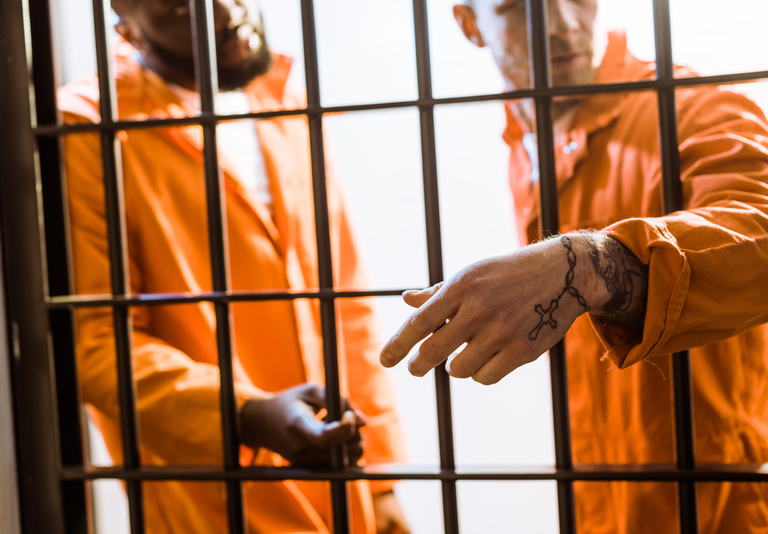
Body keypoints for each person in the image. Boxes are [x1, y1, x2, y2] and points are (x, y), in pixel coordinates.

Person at [380, 0, 768, 532]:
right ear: (471, 25)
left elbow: (762, 230)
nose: (563, 24)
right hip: (594, 495)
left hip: (719, 503)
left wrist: (587, 265)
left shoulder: (692, 106)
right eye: (519, 7)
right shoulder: (526, 140)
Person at [57, 1, 410, 533]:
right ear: (125, 28)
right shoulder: (90, 128)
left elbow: (347, 301)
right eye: (179, 5)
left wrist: (380, 479)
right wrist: (245, 414)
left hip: (341, 484)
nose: (226, 9)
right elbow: (98, 344)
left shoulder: (285, 95)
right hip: (214, 498)